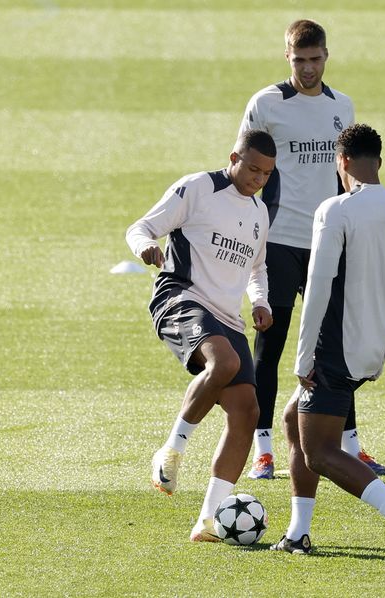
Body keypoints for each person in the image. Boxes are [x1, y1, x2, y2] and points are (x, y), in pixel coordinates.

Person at [239, 19, 385, 480]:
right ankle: (264, 449)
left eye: (315, 59)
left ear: (326, 55)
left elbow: (345, 177)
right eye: (299, 60)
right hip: (278, 242)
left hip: (328, 241)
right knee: (270, 346)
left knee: (339, 345)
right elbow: (244, 167)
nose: (308, 68)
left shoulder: (341, 106)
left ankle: (352, 446)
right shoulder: (266, 104)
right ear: (286, 56)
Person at [268, 124, 385, 562]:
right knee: (292, 420)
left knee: (319, 452)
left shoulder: (335, 210)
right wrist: (383, 352)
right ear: (379, 162)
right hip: (369, 350)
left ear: (341, 162)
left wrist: (303, 357)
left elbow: (318, 287)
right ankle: (298, 532)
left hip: (332, 348)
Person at [125, 129, 276, 542]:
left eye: (266, 173)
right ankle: (171, 451)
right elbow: (142, 227)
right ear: (234, 157)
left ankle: (207, 522)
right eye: (252, 169)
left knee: (247, 413)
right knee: (223, 363)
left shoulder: (260, 213)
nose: (258, 179)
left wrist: (260, 301)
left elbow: (257, 268)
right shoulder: (198, 188)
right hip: (182, 297)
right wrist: (144, 249)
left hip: (228, 319)